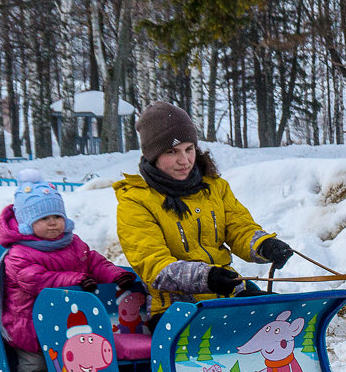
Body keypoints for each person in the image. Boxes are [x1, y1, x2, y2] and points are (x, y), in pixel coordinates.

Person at [113, 102, 293, 324]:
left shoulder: (215, 187)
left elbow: (239, 228)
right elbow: (154, 266)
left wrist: (263, 245)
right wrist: (206, 277)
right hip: (174, 309)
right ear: (153, 155)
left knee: (280, 317)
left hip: (226, 292)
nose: (184, 160)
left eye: (189, 149)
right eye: (172, 152)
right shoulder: (135, 201)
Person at [0, 169, 142, 372]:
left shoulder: (73, 243)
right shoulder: (18, 254)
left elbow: (94, 263)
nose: (53, 223)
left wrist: (116, 276)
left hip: (65, 320)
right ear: (27, 223)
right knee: (36, 365)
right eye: (44, 218)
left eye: (57, 217)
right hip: (29, 324)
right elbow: (38, 281)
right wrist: (75, 280)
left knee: (69, 364)